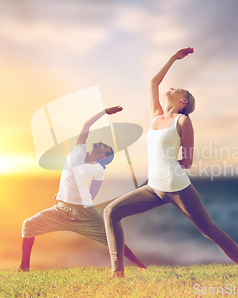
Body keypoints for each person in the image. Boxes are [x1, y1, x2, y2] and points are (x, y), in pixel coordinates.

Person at [104, 48, 238, 277]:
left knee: (209, 230)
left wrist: (171, 161)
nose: (170, 88)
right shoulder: (156, 116)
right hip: (153, 187)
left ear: (183, 101)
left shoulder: (183, 121)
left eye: (177, 89)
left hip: (177, 187)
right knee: (111, 211)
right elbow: (154, 81)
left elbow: (188, 160)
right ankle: (117, 272)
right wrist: (173, 58)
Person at [19, 106, 147, 272]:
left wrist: (75, 194)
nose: (101, 142)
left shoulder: (98, 170)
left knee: (113, 238)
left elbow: (92, 194)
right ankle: (24, 267)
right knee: (28, 225)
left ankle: (141, 265)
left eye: (105, 147)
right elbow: (86, 125)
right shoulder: (78, 150)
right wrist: (104, 112)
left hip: (84, 212)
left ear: (102, 156)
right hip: (61, 210)